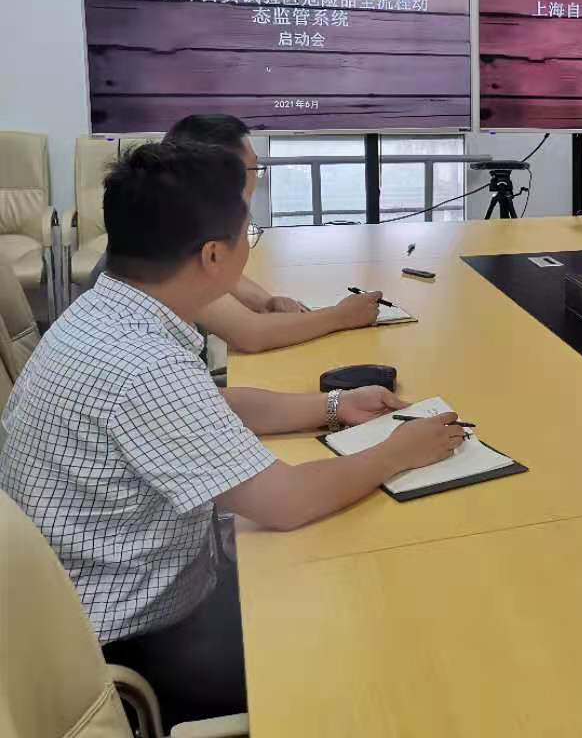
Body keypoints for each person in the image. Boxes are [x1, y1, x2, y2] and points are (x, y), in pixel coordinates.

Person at [0, 142, 464, 725]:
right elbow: (286, 502)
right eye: (248, 232)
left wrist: (333, 404)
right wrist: (398, 452)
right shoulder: (144, 365)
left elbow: (206, 407)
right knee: (374, 648)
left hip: (78, 610)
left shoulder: (108, 313)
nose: (252, 244)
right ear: (214, 255)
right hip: (136, 643)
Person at [91, 114, 381, 352]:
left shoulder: (166, 215)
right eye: (252, 168)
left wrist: (266, 302)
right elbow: (250, 334)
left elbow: (225, 277)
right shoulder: (173, 242)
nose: (254, 178)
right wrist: (340, 316)